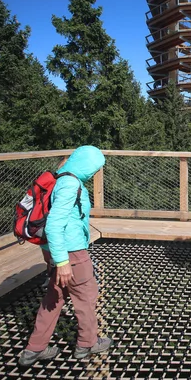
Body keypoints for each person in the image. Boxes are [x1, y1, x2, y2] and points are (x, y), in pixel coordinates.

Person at [19, 146, 112, 366]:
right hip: (72, 253)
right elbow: (53, 226)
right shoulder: (70, 184)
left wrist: (55, 258)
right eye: (95, 167)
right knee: (86, 296)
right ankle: (87, 343)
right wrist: (63, 263)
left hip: (58, 251)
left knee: (54, 298)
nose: (95, 172)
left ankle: (34, 349)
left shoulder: (62, 178)